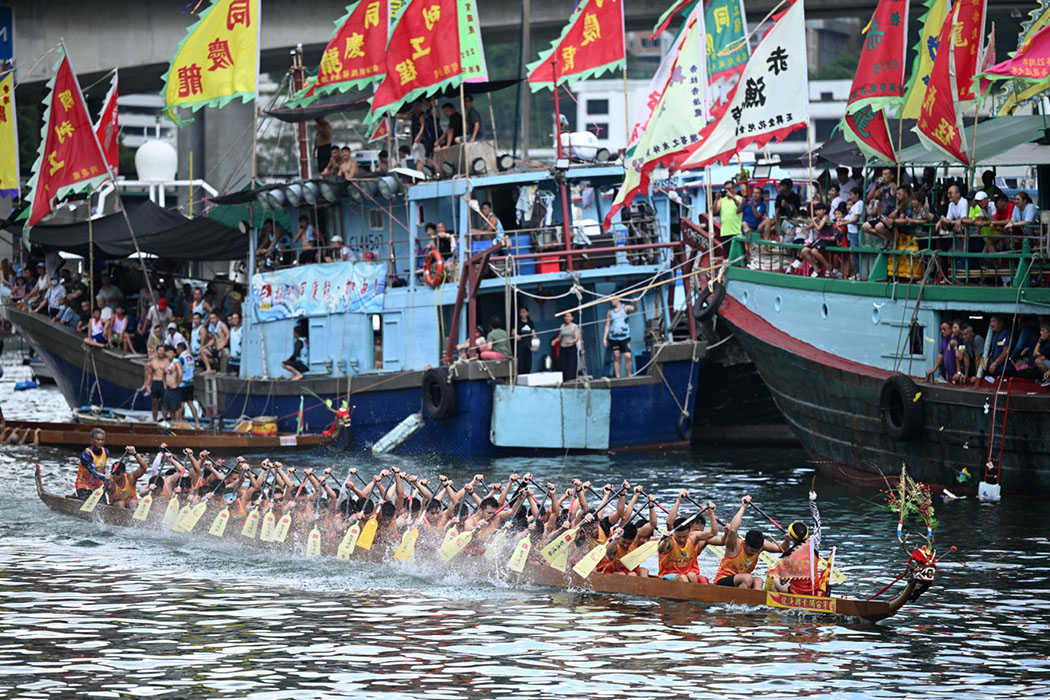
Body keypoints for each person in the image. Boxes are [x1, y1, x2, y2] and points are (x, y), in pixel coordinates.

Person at [706, 495, 781, 589]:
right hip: (723, 581)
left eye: (756, 551)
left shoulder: (761, 546)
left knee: (758, 581)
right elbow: (733, 530)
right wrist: (743, 506)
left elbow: (781, 549)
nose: (754, 553)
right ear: (745, 543)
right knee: (747, 578)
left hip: (743, 581)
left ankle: (752, 602)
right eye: (751, 550)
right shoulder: (735, 545)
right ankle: (741, 601)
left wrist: (788, 539)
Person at [657, 492, 717, 582]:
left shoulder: (693, 537)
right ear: (674, 533)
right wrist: (678, 500)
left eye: (684, 537)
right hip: (669, 575)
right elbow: (669, 523)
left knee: (694, 576)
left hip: (689, 574)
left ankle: (695, 594)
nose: (682, 539)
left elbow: (713, 532)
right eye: (679, 537)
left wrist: (711, 514)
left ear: (690, 531)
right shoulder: (669, 538)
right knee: (683, 578)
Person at [603, 297, 635, 378]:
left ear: (618, 299)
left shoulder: (625, 307)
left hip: (624, 337)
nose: (611, 301)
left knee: (628, 356)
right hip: (613, 337)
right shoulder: (610, 312)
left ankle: (629, 375)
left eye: (613, 299)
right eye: (610, 300)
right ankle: (618, 377)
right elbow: (607, 325)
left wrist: (635, 303)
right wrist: (604, 338)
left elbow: (634, 309)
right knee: (616, 356)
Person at [75, 428, 109, 499]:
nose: (100, 442)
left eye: (102, 440)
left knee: (103, 504)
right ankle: (76, 498)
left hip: (98, 485)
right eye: (97, 440)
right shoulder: (86, 454)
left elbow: (104, 469)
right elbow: (93, 471)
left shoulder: (105, 451)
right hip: (84, 485)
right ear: (92, 440)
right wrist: (105, 477)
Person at [141, 345, 170, 422]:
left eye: (162, 350)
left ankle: (164, 420)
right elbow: (148, 374)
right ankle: (154, 420)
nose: (161, 352)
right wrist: (148, 386)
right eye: (159, 350)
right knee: (154, 403)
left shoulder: (167, 360)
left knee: (164, 404)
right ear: (157, 351)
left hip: (163, 383)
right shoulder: (153, 361)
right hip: (155, 382)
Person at [713, 181, 743, 253]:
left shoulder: (739, 198)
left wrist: (733, 197)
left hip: (737, 231)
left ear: (734, 189)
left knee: (737, 254)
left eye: (729, 189)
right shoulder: (721, 200)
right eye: (726, 189)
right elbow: (714, 211)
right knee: (727, 255)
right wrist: (716, 199)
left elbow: (740, 207)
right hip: (725, 232)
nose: (728, 191)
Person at [176, 341, 201, 428]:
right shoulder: (191, 356)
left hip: (183, 384)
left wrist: (177, 382)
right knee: (190, 403)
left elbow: (179, 372)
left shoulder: (181, 358)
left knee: (180, 405)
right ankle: (197, 422)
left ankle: (178, 423)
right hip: (190, 383)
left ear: (180, 349)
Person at [556, 311, 581, 382]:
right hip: (563, 347)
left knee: (571, 364)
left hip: (571, 347)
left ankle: (571, 380)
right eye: (566, 316)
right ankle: (565, 380)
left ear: (572, 318)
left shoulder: (574, 326)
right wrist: (554, 341)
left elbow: (576, 338)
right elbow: (559, 337)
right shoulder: (562, 326)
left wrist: (571, 341)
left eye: (569, 316)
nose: (567, 318)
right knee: (563, 364)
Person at [162, 344, 183, 421]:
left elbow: (180, 374)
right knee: (166, 407)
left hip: (174, 388)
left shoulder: (176, 362)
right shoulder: (166, 364)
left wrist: (178, 383)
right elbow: (163, 375)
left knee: (176, 408)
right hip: (167, 388)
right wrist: (164, 385)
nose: (169, 354)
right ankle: (166, 421)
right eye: (168, 352)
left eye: (171, 353)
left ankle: (176, 423)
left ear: (174, 354)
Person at [515, 307, 537, 375]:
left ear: (527, 313)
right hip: (521, 346)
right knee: (521, 362)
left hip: (528, 345)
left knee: (528, 361)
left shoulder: (530, 322)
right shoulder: (517, 322)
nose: (523, 314)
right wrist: (516, 335)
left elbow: (533, 333)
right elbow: (513, 332)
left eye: (524, 312)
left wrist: (535, 341)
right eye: (521, 312)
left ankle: (528, 374)